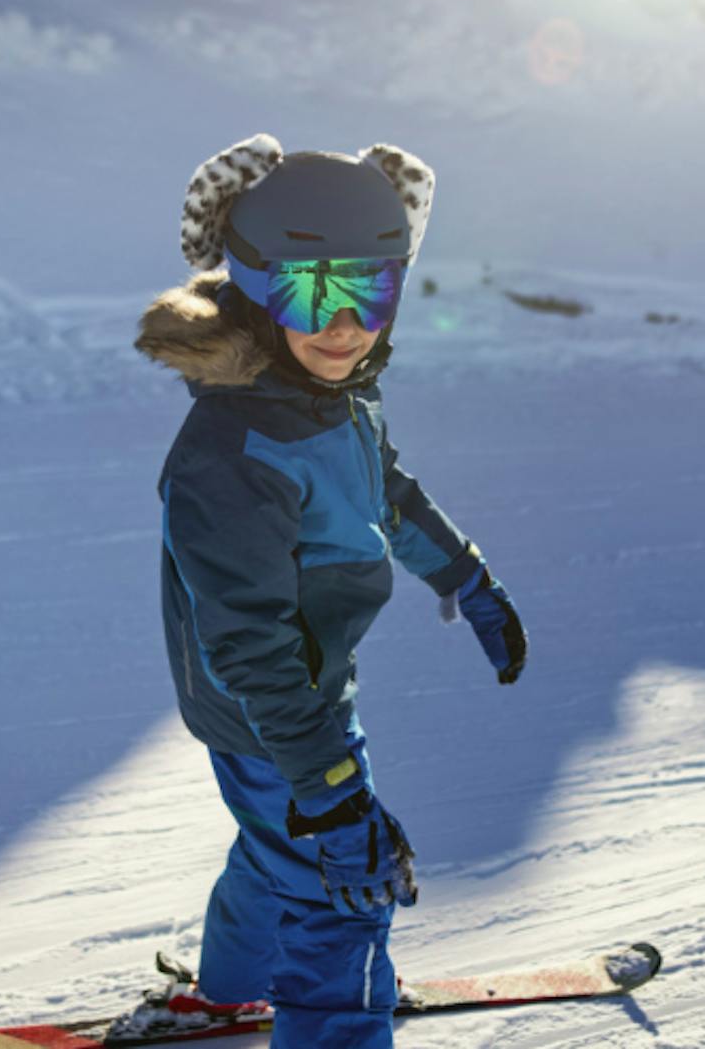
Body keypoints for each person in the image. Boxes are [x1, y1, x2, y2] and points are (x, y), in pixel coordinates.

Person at [133, 135, 528, 1048]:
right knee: (344, 887)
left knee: (276, 849)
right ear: (261, 287)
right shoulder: (232, 452)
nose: (345, 323)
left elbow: (384, 490)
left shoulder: (330, 393)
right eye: (315, 290)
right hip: (277, 702)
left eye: (371, 288)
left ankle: (227, 991)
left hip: (285, 697)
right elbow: (249, 640)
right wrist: (330, 784)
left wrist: (467, 578)